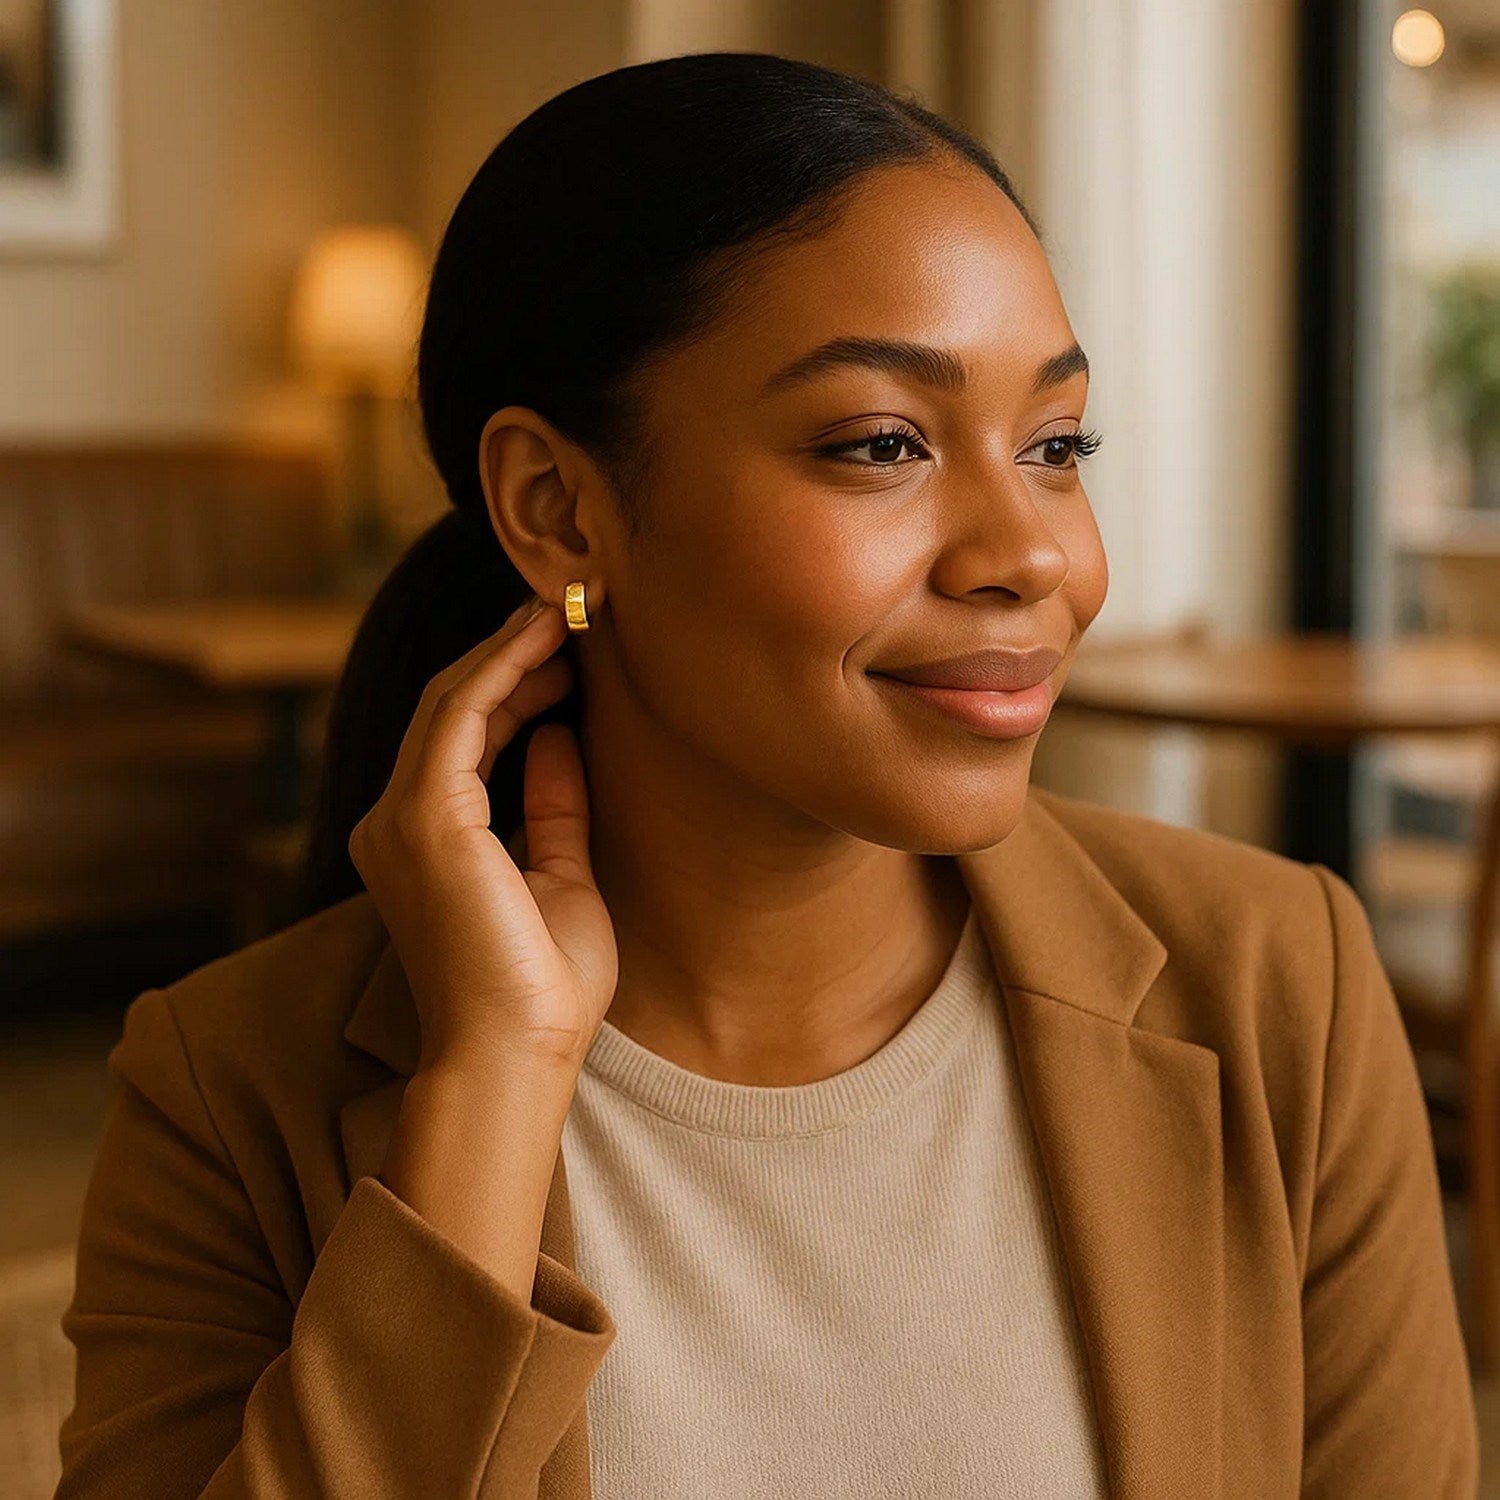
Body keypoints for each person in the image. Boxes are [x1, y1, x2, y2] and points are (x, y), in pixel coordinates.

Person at [55, 51, 1476, 1500]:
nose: (1036, 556)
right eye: (882, 444)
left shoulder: (1275, 987)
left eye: (1058, 445)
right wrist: (491, 1086)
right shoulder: (227, 1090)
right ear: (558, 510)